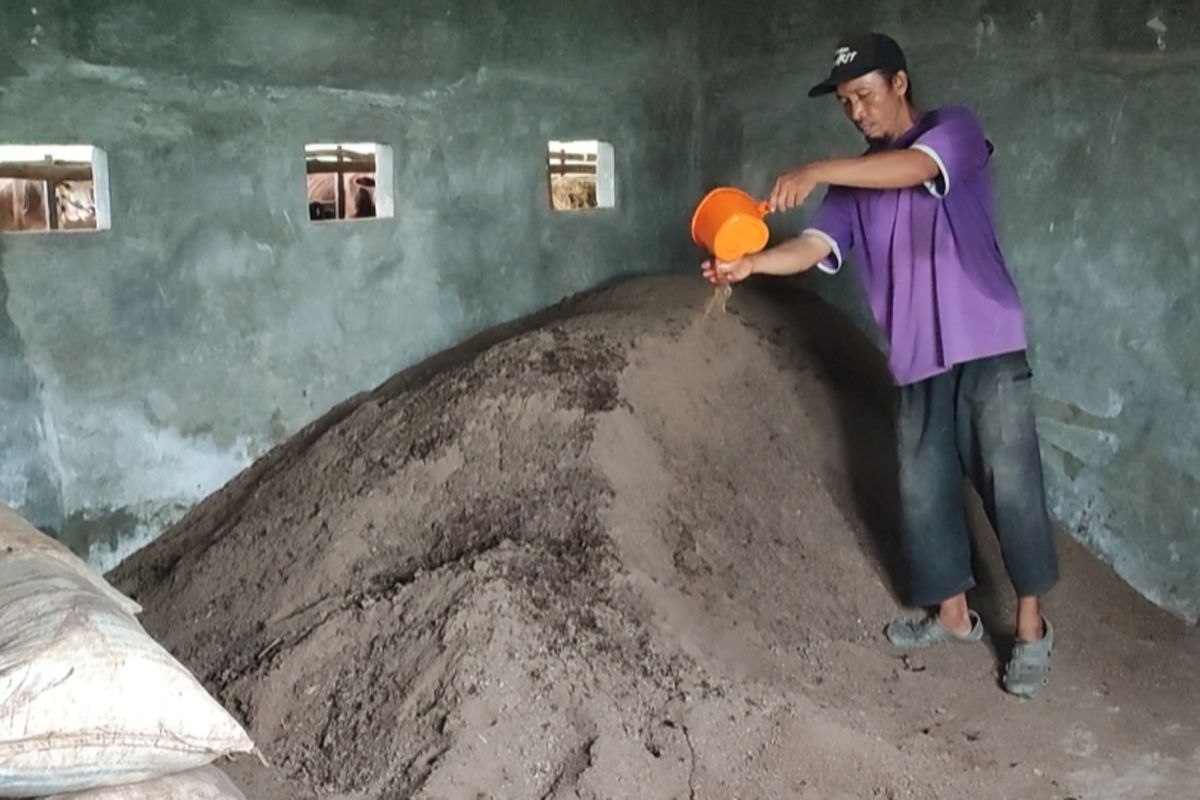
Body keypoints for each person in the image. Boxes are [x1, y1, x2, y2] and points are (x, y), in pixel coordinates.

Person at [701, 32, 1059, 697]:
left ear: (900, 83)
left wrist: (816, 169)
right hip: (918, 352)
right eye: (845, 102)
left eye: (864, 95)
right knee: (924, 487)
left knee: (1010, 480)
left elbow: (915, 168)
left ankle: (1032, 629)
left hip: (985, 339)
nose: (857, 112)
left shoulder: (953, 130)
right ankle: (953, 618)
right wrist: (751, 264)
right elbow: (814, 245)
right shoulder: (853, 184)